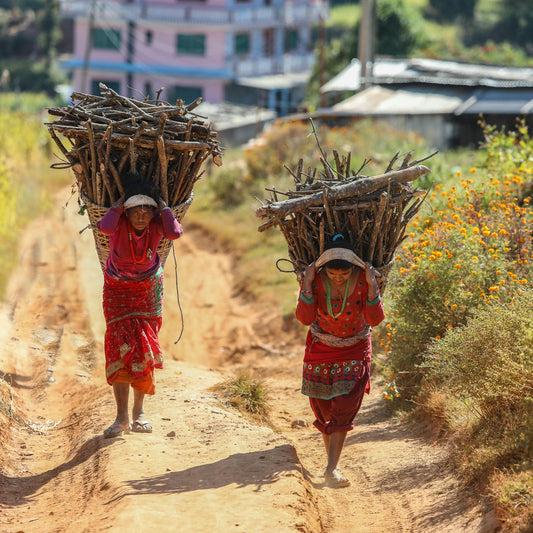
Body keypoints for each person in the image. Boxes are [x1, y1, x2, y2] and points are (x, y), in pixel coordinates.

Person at [295, 234, 385, 487]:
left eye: (343, 276)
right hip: (320, 348)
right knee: (324, 407)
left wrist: (372, 284)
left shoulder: (365, 281)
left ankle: (331, 469)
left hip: (354, 349)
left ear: (353, 269)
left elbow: (375, 319)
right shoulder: (315, 280)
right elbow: (304, 318)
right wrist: (308, 282)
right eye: (332, 275)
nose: (337, 279)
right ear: (324, 270)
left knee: (344, 404)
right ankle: (331, 463)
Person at [97, 178, 183, 438]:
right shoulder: (119, 223)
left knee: (143, 346)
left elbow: (175, 233)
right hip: (118, 289)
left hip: (147, 289)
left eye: (147, 210)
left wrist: (164, 207)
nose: (142, 215)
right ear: (128, 212)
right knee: (120, 346)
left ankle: (139, 414)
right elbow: (104, 226)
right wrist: (120, 205)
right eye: (137, 210)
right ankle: (121, 418)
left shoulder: (157, 224)